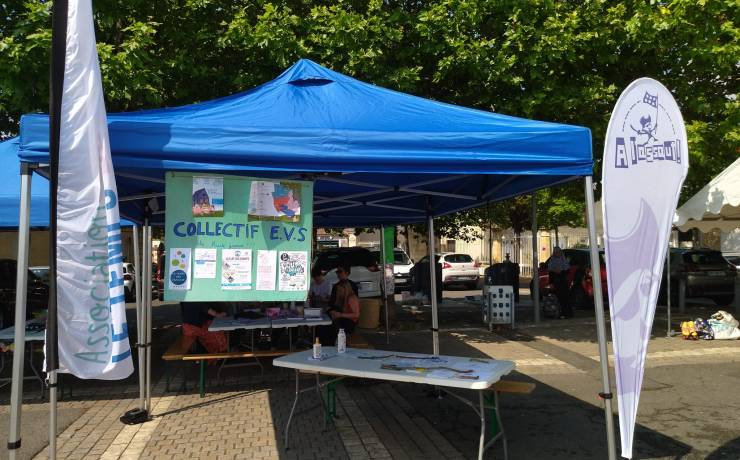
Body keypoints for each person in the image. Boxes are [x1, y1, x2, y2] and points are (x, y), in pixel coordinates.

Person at [319, 279, 360, 346]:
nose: (339, 292)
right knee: (326, 325)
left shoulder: (351, 298)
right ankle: (326, 343)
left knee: (331, 327)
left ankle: (330, 344)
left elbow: (356, 315)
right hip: (343, 319)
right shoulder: (342, 298)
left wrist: (340, 315)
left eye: (340, 290)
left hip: (350, 322)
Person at [548, 247, 572, 318]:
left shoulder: (563, 260)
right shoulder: (552, 261)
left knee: (566, 298)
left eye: (558, 252)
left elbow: (568, 270)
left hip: (563, 282)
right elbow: (550, 273)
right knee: (558, 298)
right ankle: (559, 313)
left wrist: (561, 271)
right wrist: (551, 283)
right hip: (556, 282)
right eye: (555, 252)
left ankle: (568, 313)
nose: (557, 254)